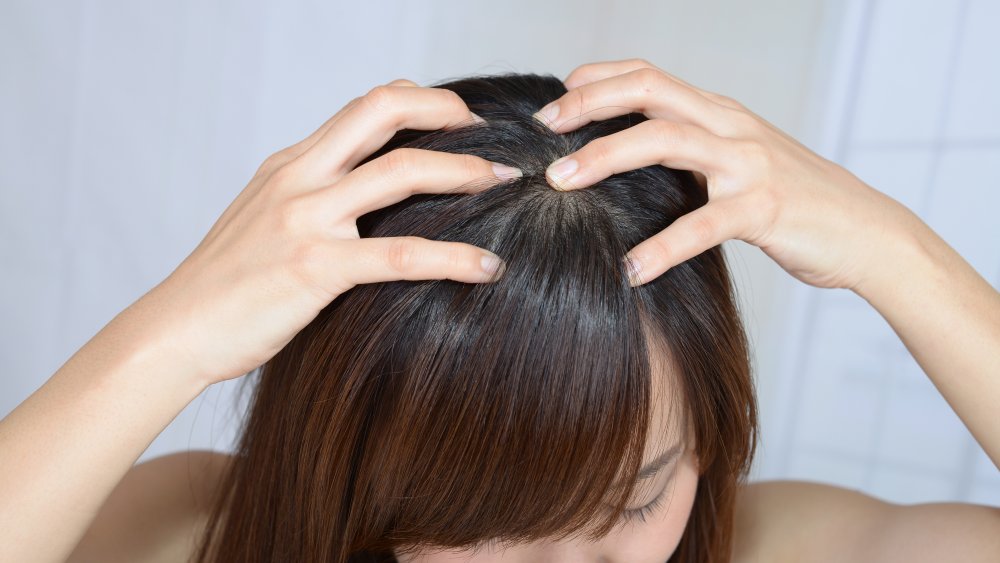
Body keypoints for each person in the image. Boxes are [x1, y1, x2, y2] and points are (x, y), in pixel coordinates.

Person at [1, 59, 997, 563]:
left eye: (633, 501)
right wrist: (163, 336)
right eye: (486, 524)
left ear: (707, 423)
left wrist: (894, 250)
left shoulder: (777, 545)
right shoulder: (197, 531)